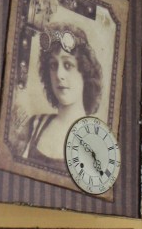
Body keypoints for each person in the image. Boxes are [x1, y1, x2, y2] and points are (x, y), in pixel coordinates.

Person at [21, 24, 103, 173]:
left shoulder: (95, 143)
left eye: (68, 65)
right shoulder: (34, 125)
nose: (59, 75)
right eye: (53, 65)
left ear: (85, 72)